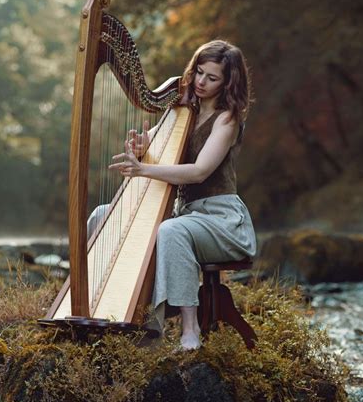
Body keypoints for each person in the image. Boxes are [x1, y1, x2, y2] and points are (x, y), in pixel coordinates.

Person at [109, 40, 256, 350]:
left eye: (212, 78)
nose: (201, 82)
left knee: (172, 229)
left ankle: (190, 333)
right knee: (102, 215)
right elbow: (149, 145)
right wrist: (139, 148)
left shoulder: (227, 120)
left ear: (228, 82)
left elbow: (199, 171)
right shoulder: (180, 111)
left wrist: (144, 170)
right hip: (187, 214)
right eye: (199, 73)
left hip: (222, 220)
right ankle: (116, 311)